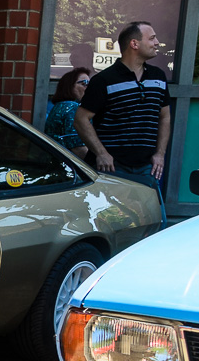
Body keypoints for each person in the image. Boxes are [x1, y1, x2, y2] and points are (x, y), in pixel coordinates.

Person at [74, 20, 169, 226]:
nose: (157, 42)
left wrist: (160, 154)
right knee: (110, 227)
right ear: (134, 44)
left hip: (147, 168)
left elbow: (165, 116)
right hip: (112, 169)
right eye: (152, 38)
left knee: (152, 226)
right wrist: (101, 153)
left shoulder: (159, 77)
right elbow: (81, 119)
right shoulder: (104, 80)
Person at [45, 67, 91, 158]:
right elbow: (78, 148)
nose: (88, 88)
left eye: (90, 84)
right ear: (69, 86)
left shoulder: (60, 106)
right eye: (84, 83)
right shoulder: (72, 108)